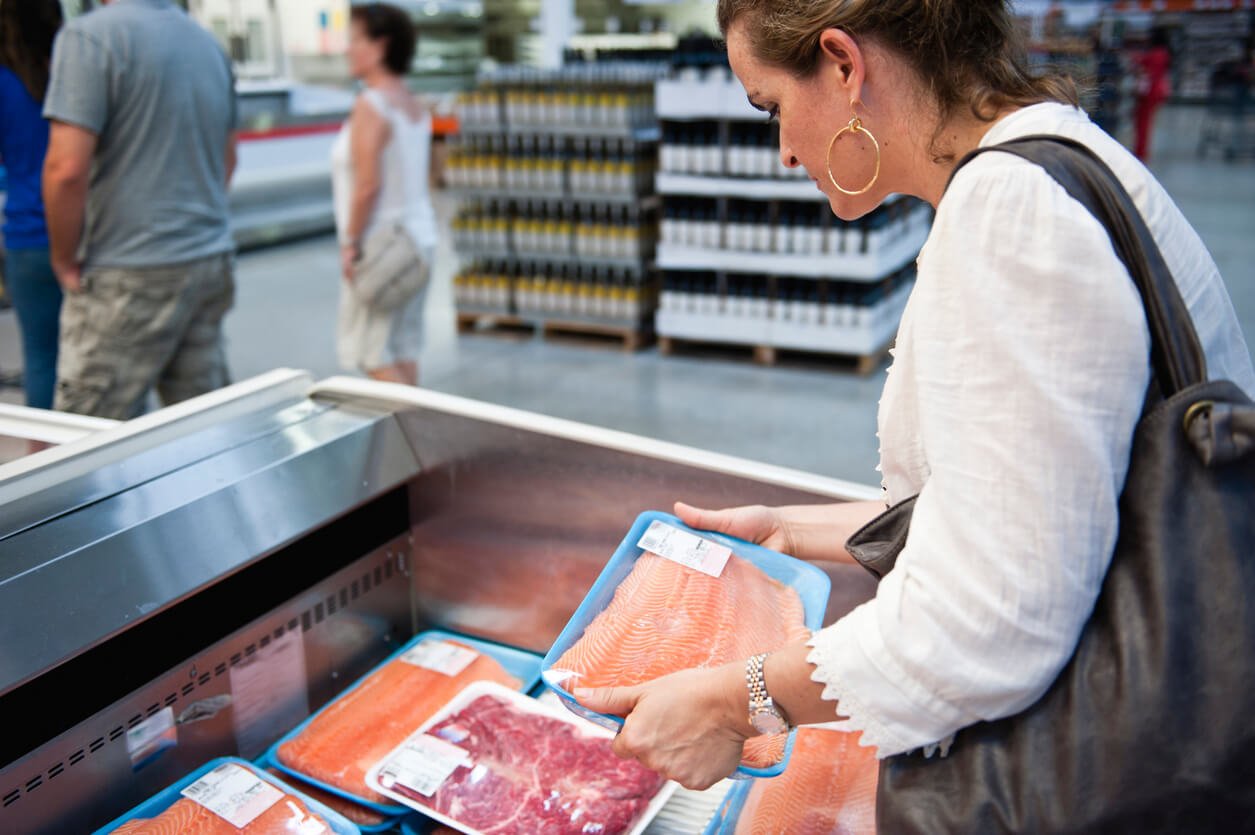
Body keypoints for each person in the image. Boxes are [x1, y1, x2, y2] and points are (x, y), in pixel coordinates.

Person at [575, 0, 1255, 793]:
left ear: (841, 63)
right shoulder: (1051, 156)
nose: (785, 152)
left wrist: (741, 701)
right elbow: (1030, 499)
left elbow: (989, 622)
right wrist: (790, 530)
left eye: (772, 107)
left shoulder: (1009, 216)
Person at [41, 0, 238, 419]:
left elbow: (66, 169)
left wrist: (62, 258)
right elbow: (228, 160)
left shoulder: (90, 37)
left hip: (128, 269)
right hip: (207, 259)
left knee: (88, 439)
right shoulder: (206, 44)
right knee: (206, 426)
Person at [333, 3, 438, 386]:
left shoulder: (371, 104)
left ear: (379, 47)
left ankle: (419, 440)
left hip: (383, 244)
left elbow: (367, 186)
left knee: (368, 350)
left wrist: (351, 244)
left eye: (355, 40)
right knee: (404, 347)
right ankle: (415, 440)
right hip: (419, 240)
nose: (347, 49)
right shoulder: (412, 103)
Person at [0, 0, 63, 409]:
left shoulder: (3, 81)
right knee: (107, 364)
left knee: (41, 360)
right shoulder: (72, 72)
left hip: (26, 236)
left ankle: (47, 464)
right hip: (88, 231)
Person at [1133, 26, 1172, 161]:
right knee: (1146, 121)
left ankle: (1140, 151)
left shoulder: (1155, 54)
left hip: (1148, 91)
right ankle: (1141, 150)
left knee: (1143, 122)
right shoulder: (1164, 53)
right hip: (1156, 90)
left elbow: (1144, 66)